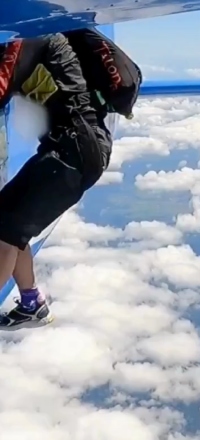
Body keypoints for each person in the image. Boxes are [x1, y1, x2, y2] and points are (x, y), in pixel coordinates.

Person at [0, 33, 118, 330]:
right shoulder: (40, 34)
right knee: (9, 224)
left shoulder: (29, 36)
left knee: (4, 233)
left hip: (74, 150)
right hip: (74, 148)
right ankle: (32, 304)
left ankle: (32, 304)